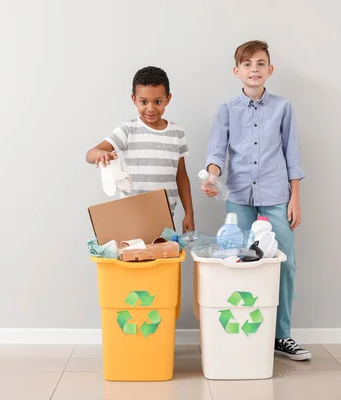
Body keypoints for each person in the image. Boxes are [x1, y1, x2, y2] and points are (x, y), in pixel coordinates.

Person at [203, 40, 310, 361]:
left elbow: (292, 154)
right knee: (240, 262)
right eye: (247, 64)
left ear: (269, 70)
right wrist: (212, 176)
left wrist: (296, 198)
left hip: (278, 196)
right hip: (238, 197)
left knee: (285, 263)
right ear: (237, 71)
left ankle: (281, 336)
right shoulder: (226, 110)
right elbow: (216, 150)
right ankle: (245, 332)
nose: (254, 70)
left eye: (260, 64)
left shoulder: (283, 108)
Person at [86, 66, 195, 232]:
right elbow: (90, 154)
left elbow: (181, 176)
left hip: (164, 217)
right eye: (144, 102)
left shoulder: (177, 133)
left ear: (168, 99)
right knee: (133, 256)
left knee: (163, 256)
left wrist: (189, 213)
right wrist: (102, 154)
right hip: (131, 216)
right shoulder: (128, 130)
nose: (150, 108)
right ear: (134, 99)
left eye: (157, 102)